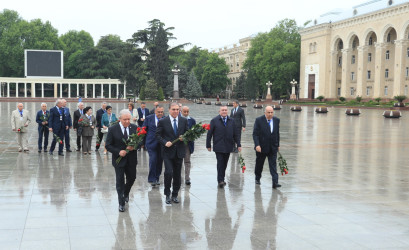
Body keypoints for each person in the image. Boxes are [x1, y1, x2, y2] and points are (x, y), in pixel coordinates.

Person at [106, 109, 138, 212]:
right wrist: (118, 151)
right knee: (120, 180)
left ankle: (126, 192)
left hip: (132, 159)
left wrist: (135, 147)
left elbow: (140, 141)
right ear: (119, 119)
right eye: (125, 119)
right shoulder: (112, 129)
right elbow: (108, 145)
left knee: (132, 178)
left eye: (129, 119)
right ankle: (121, 202)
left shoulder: (134, 128)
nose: (127, 121)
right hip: (119, 160)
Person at [155, 102, 188, 205]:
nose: (175, 111)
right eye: (173, 109)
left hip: (179, 152)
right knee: (168, 172)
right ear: (169, 110)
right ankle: (167, 194)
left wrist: (185, 138)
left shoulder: (184, 120)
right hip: (167, 152)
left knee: (177, 174)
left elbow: (188, 134)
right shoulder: (163, 121)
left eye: (177, 109)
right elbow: (157, 135)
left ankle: (175, 194)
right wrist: (165, 142)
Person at [206, 106, 241, 188]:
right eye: (222, 110)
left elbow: (236, 134)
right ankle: (220, 180)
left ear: (227, 111)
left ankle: (222, 178)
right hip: (218, 146)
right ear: (219, 111)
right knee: (220, 162)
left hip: (228, 146)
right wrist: (208, 145)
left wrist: (238, 144)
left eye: (225, 110)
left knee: (225, 163)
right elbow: (209, 134)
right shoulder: (214, 120)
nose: (224, 111)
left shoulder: (231, 121)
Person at [252, 106, 281, 188]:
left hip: (273, 147)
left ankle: (275, 182)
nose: (270, 114)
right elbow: (255, 134)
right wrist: (257, 145)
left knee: (273, 165)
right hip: (261, 148)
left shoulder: (276, 120)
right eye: (268, 112)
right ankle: (257, 178)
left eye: (271, 112)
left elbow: (277, 133)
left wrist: (278, 144)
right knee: (259, 164)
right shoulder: (259, 120)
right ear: (265, 112)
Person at [143, 106, 164, 187]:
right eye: (159, 112)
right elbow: (144, 130)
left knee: (159, 161)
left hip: (162, 144)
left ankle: (157, 178)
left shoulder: (165, 119)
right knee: (153, 160)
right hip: (151, 143)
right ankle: (152, 179)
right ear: (155, 111)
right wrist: (142, 143)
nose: (160, 113)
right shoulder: (149, 118)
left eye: (161, 112)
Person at [181, 106, 196, 185]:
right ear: (181, 111)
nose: (186, 113)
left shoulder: (192, 120)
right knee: (178, 161)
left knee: (187, 161)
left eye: (187, 111)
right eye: (184, 111)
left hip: (188, 144)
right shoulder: (178, 119)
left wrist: (190, 138)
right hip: (179, 144)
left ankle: (187, 178)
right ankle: (178, 177)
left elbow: (194, 132)